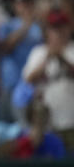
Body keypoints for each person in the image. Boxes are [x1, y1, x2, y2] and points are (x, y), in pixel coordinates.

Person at [22, 9, 74, 152]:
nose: (58, 32)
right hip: (46, 123)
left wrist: (62, 57)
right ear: (47, 31)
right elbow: (28, 79)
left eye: (61, 27)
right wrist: (48, 57)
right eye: (54, 28)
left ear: (69, 28)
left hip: (71, 119)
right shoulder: (39, 52)